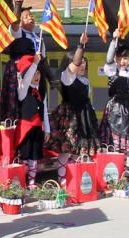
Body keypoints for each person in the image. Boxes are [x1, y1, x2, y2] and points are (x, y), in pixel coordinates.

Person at [47, 31, 100, 164]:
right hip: (70, 116)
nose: (82, 64)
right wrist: (81, 45)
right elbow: (74, 64)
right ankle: (63, 177)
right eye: (79, 62)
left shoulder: (86, 81)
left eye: (84, 62)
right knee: (67, 147)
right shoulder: (67, 77)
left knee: (82, 148)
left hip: (84, 116)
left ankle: (78, 174)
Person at [99, 30, 129, 153]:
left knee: (125, 145)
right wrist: (114, 40)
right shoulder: (112, 70)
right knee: (113, 144)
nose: (122, 62)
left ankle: (123, 168)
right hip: (114, 111)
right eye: (120, 58)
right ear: (116, 58)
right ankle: (114, 168)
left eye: (125, 58)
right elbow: (108, 59)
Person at [15, 53, 49, 187]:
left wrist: (47, 129)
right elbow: (26, 80)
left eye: (38, 73)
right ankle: (22, 182)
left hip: (37, 128)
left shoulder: (41, 91)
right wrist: (34, 64)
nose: (37, 76)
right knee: (25, 155)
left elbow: (44, 110)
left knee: (34, 155)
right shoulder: (23, 90)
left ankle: (31, 181)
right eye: (34, 73)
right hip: (25, 129)